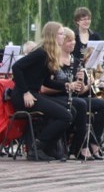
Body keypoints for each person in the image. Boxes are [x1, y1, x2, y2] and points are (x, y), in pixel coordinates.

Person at [40, 27, 104, 160]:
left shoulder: (76, 61)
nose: (73, 43)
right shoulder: (53, 61)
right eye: (69, 41)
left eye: (74, 40)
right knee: (81, 103)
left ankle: (93, 141)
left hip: (75, 97)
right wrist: (68, 87)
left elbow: (80, 90)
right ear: (61, 42)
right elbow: (45, 87)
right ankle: (80, 146)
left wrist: (84, 84)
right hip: (57, 97)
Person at [10, 21, 73, 161]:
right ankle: (37, 147)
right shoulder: (40, 53)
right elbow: (16, 67)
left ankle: (48, 148)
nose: (63, 37)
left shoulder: (47, 54)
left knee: (70, 112)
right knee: (65, 116)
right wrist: (25, 92)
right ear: (52, 36)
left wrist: (66, 86)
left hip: (33, 95)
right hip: (23, 96)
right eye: (61, 34)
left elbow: (45, 81)